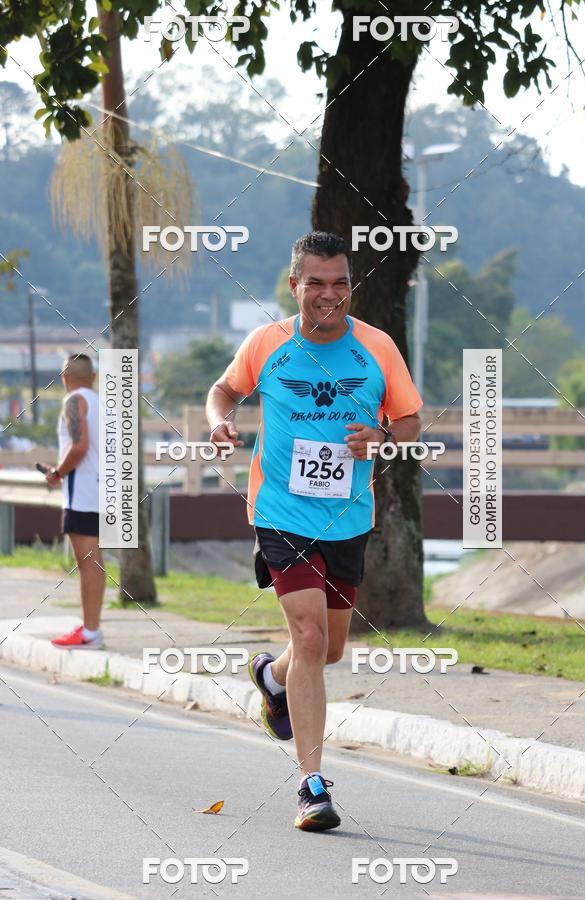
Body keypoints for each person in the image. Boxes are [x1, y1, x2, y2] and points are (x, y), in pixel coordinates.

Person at [206, 231, 422, 831]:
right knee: (307, 636)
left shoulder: (377, 347)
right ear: (294, 285)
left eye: (341, 283)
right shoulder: (267, 343)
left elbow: (409, 419)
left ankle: (270, 678)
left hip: (348, 516)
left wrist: (382, 436)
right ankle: (312, 786)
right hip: (280, 512)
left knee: (327, 650)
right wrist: (219, 421)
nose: (330, 294)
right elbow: (224, 390)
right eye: (316, 283)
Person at [46, 353, 105, 650]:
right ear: (92, 377)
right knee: (95, 562)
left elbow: (79, 447)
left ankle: (91, 632)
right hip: (104, 491)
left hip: (82, 494)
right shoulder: (103, 404)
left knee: (88, 563)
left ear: (64, 378)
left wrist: (57, 473)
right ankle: (91, 627)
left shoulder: (73, 401)